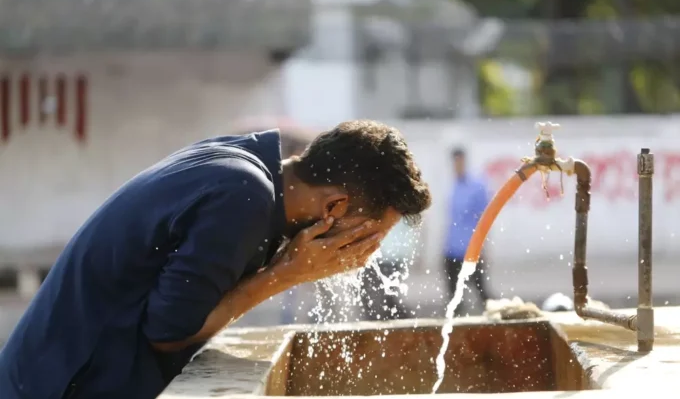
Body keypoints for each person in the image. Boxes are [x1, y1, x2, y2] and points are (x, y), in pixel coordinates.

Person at [0, 120, 432, 399]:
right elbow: (169, 332)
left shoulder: (243, 165)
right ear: (334, 208)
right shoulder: (242, 198)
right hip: (60, 386)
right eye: (369, 236)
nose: (366, 254)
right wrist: (287, 273)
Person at [443, 147, 491, 316]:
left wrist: (484, 246)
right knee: (453, 296)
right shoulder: (452, 186)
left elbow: (484, 219)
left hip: (471, 248)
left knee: (481, 290)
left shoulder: (476, 186)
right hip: (452, 247)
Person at [360, 219, 416, 321]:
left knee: (383, 296)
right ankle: (399, 323)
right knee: (377, 295)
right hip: (389, 255)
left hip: (388, 256)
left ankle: (401, 323)